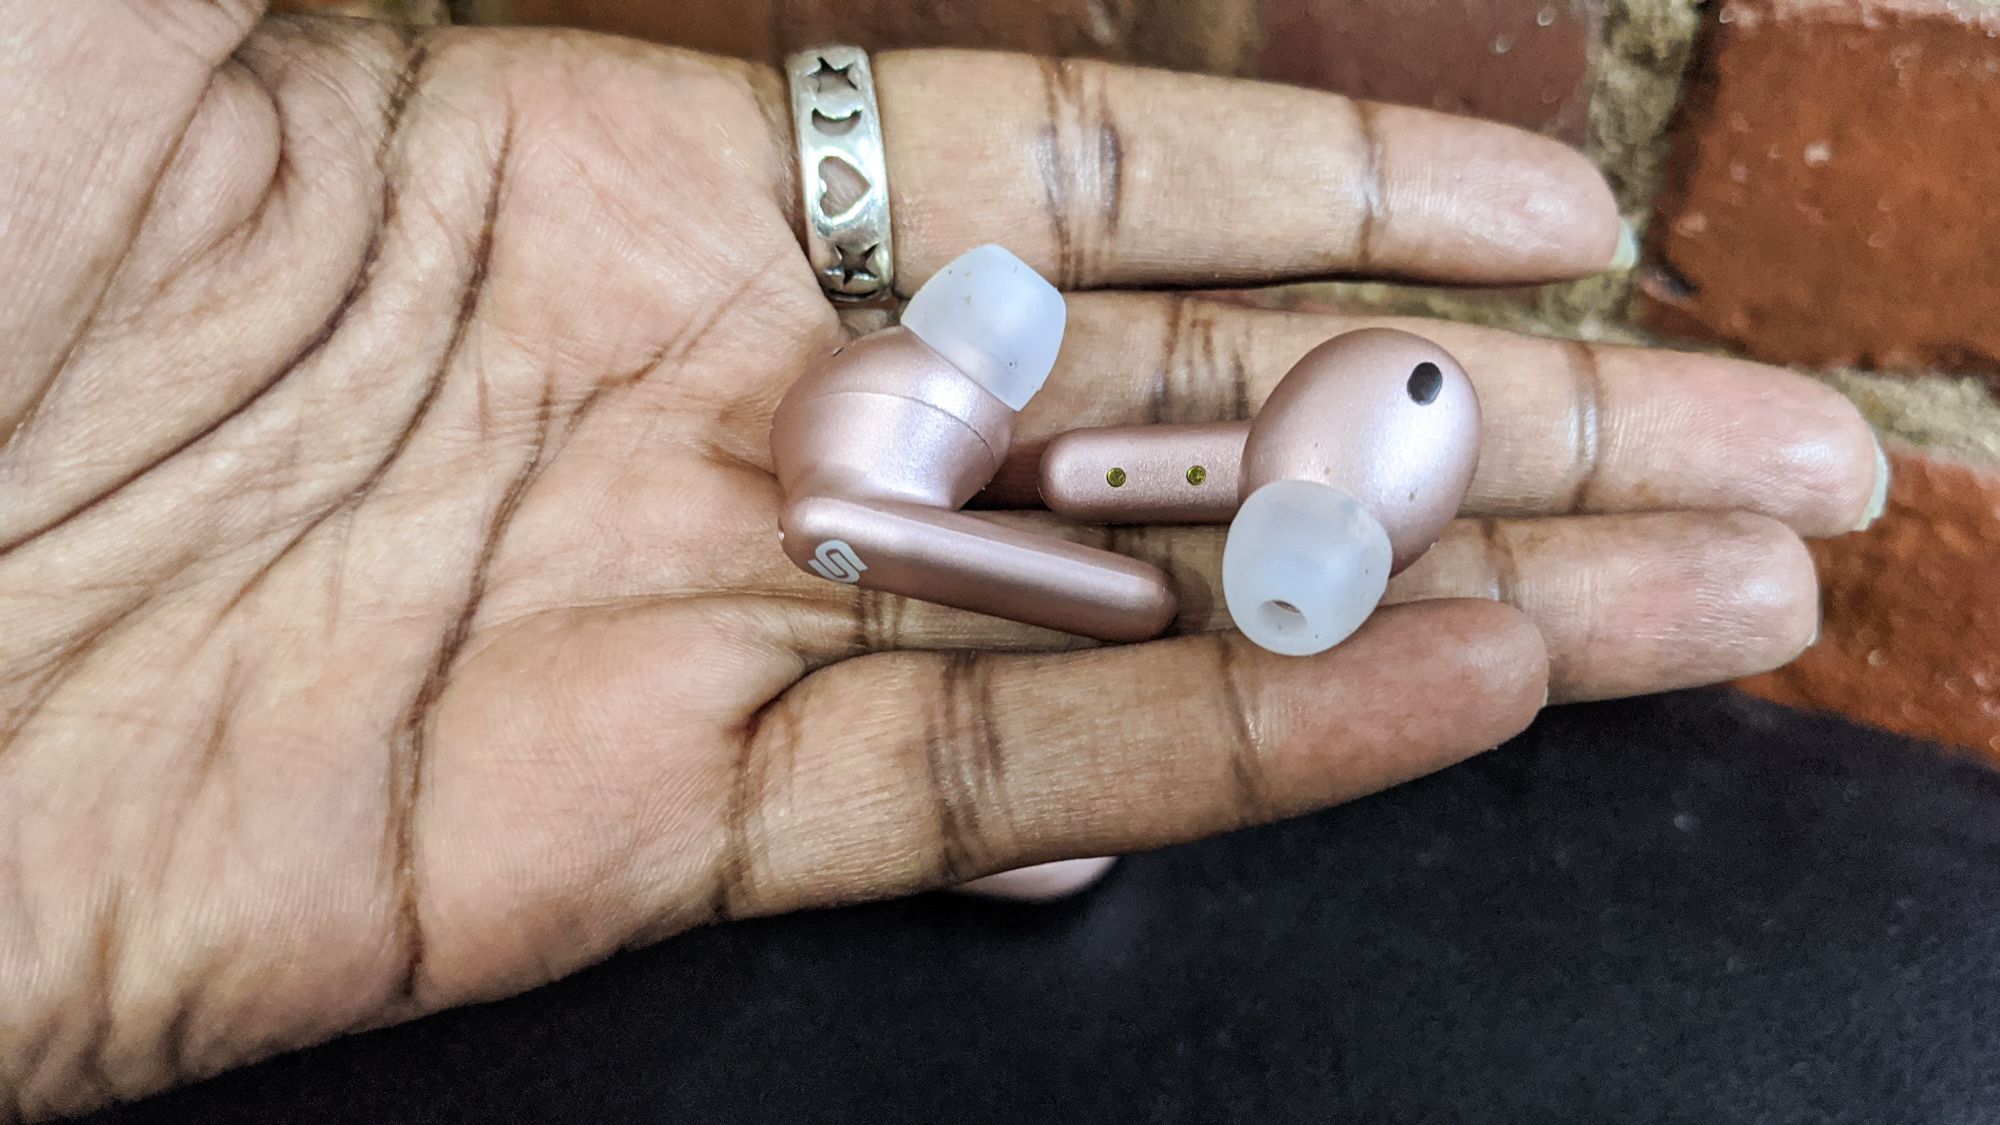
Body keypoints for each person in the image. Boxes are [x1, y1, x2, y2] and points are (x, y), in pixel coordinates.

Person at [0, 3, 1882, 1118]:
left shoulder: (1061, 456)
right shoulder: (961, 450)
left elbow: (1095, 518)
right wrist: (950, 529)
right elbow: (1062, 531)